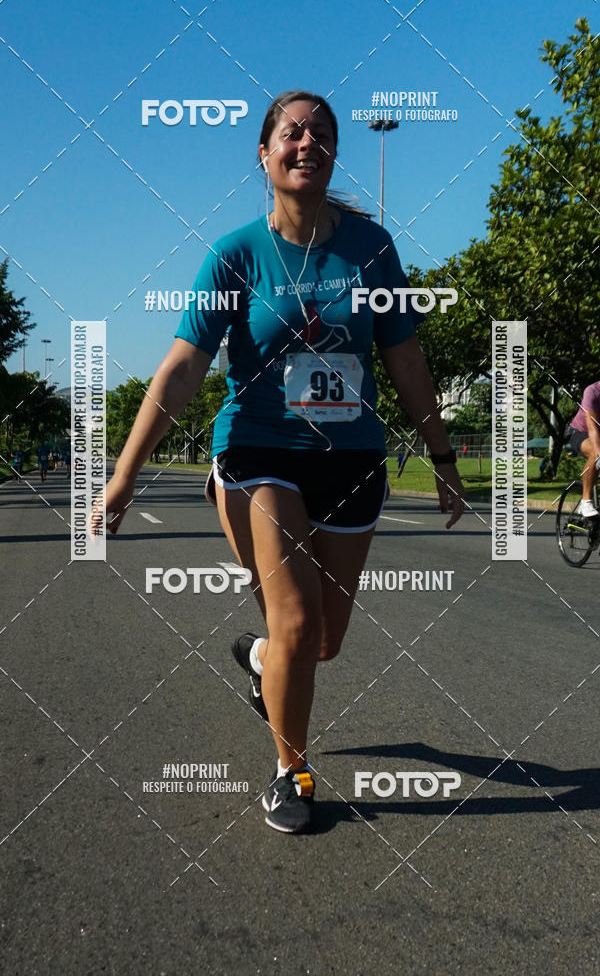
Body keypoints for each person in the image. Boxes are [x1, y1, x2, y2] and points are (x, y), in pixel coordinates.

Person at [95, 90, 465, 834]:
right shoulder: (235, 254)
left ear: (333, 155)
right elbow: (179, 370)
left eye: (322, 135)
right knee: (297, 617)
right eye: (290, 133)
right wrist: (123, 475)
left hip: (352, 458)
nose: (307, 143)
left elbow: (406, 357)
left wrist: (443, 453)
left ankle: (264, 658)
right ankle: (289, 770)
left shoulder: (371, 250)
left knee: (321, 642)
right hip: (259, 452)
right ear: (263, 155)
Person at [567, 380, 600, 517]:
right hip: (581, 432)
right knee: (595, 452)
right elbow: (592, 428)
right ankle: (585, 502)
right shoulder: (592, 391)